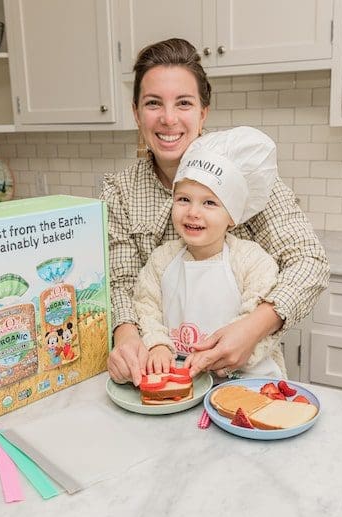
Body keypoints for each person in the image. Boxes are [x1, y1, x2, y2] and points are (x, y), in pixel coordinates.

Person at [101, 38, 329, 386]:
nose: (168, 118)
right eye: (152, 103)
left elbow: (309, 262)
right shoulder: (119, 191)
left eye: (184, 103)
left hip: (246, 379)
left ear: (203, 112)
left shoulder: (244, 175)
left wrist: (251, 329)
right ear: (135, 112)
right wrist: (128, 336)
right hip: (162, 376)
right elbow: (123, 282)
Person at [133, 126, 285, 379]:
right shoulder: (161, 260)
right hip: (183, 380)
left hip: (246, 381)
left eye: (209, 203)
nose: (193, 212)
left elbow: (262, 330)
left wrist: (225, 358)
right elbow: (146, 306)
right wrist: (158, 344)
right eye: (183, 199)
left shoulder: (252, 262)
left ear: (233, 217)